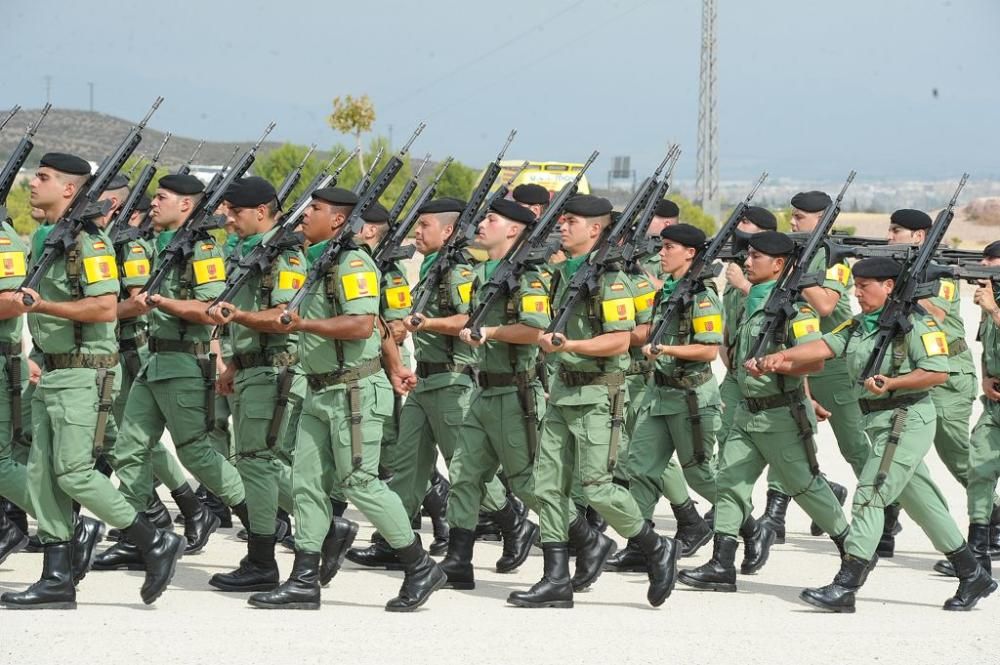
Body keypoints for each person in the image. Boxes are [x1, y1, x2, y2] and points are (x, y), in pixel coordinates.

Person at [753, 256, 997, 612]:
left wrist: (893, 382)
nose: (858, 292)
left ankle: (847, 584)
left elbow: (937, 372)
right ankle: (972, 574)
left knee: (870, 493)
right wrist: (780, 357)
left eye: (865, 286)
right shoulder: (859, 324)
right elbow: (823, 346)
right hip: (880, 422)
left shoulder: (917, 323)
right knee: (924, 504)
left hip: (906, 418)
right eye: (856, 285)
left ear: (888, 286)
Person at [248, 186, 444, 611]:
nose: (304, 215)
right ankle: (303, 579)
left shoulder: (355, 262)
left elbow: (360, 325)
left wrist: (303, 325)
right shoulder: (320, 261)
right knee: (307, 484)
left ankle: (420, 565)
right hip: (320, 388)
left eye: (314, 209)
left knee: (359, 481)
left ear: (337, 219)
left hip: (353, 388)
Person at [1, 152, 183, 609]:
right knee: (43, 476)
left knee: (76, 473)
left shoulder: (91, 242)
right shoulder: (49, 236)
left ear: (69, 188)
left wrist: (39, 306)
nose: (32, 184)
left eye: (42, 178)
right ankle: (57, 578)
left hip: (87, 372)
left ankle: (153, 539)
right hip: (56, 370)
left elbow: (103, 308)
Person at [508, 194, 677, 609]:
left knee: (597, 489)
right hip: (564, 391)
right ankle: (555, 580)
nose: (561, 227)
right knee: (546, 487)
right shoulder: (564, 272)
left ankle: (654, 546)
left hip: (599, 394)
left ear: (595, 230)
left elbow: (621, 339)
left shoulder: (611, 280)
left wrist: (571, 343)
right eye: (562, 220)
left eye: (571, 222)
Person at [678, 231, 849, 593]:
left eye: (756, 256)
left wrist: (779, 365)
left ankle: (852, 551)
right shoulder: (748, 300)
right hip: (746, 411)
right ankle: (721, 564)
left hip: (782, 416)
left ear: (779, 264)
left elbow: (814, 362)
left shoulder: (796, 308)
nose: (747, 261)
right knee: (730, 484)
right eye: (748, 255)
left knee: (806, 486)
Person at [100, 173, 246, 572]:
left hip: (186, 361)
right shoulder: (159, 244)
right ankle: (137, 534)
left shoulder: (204, 249)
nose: (153, 204)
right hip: (154, 360)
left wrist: (163, 302)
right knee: (130, 447)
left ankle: (265, 524)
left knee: (196, 452)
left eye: (162, 198)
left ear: (185, 205)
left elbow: (213, 309)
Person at [205, 176, 310, 591]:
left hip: (274, 372)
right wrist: (232, 364)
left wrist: (236, 318)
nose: (228, 219)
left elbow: (285, 316)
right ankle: (319, 530)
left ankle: (264, 561)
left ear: (262, 212)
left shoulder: (284, 256)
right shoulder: (252, 251)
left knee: (258, 463)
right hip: (252, 369)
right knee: (254, 463)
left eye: (236, 212)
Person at [436, 198, 546, 589]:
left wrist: (492, 333)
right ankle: (458, 562)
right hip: (483, 391)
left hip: (516, 395)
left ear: (514, 230)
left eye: (491, 219)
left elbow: (536, 330)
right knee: (464, 475)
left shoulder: (528, 276)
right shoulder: (487, 272)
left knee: (528, 484)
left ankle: (585, 542)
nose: (481, 224)